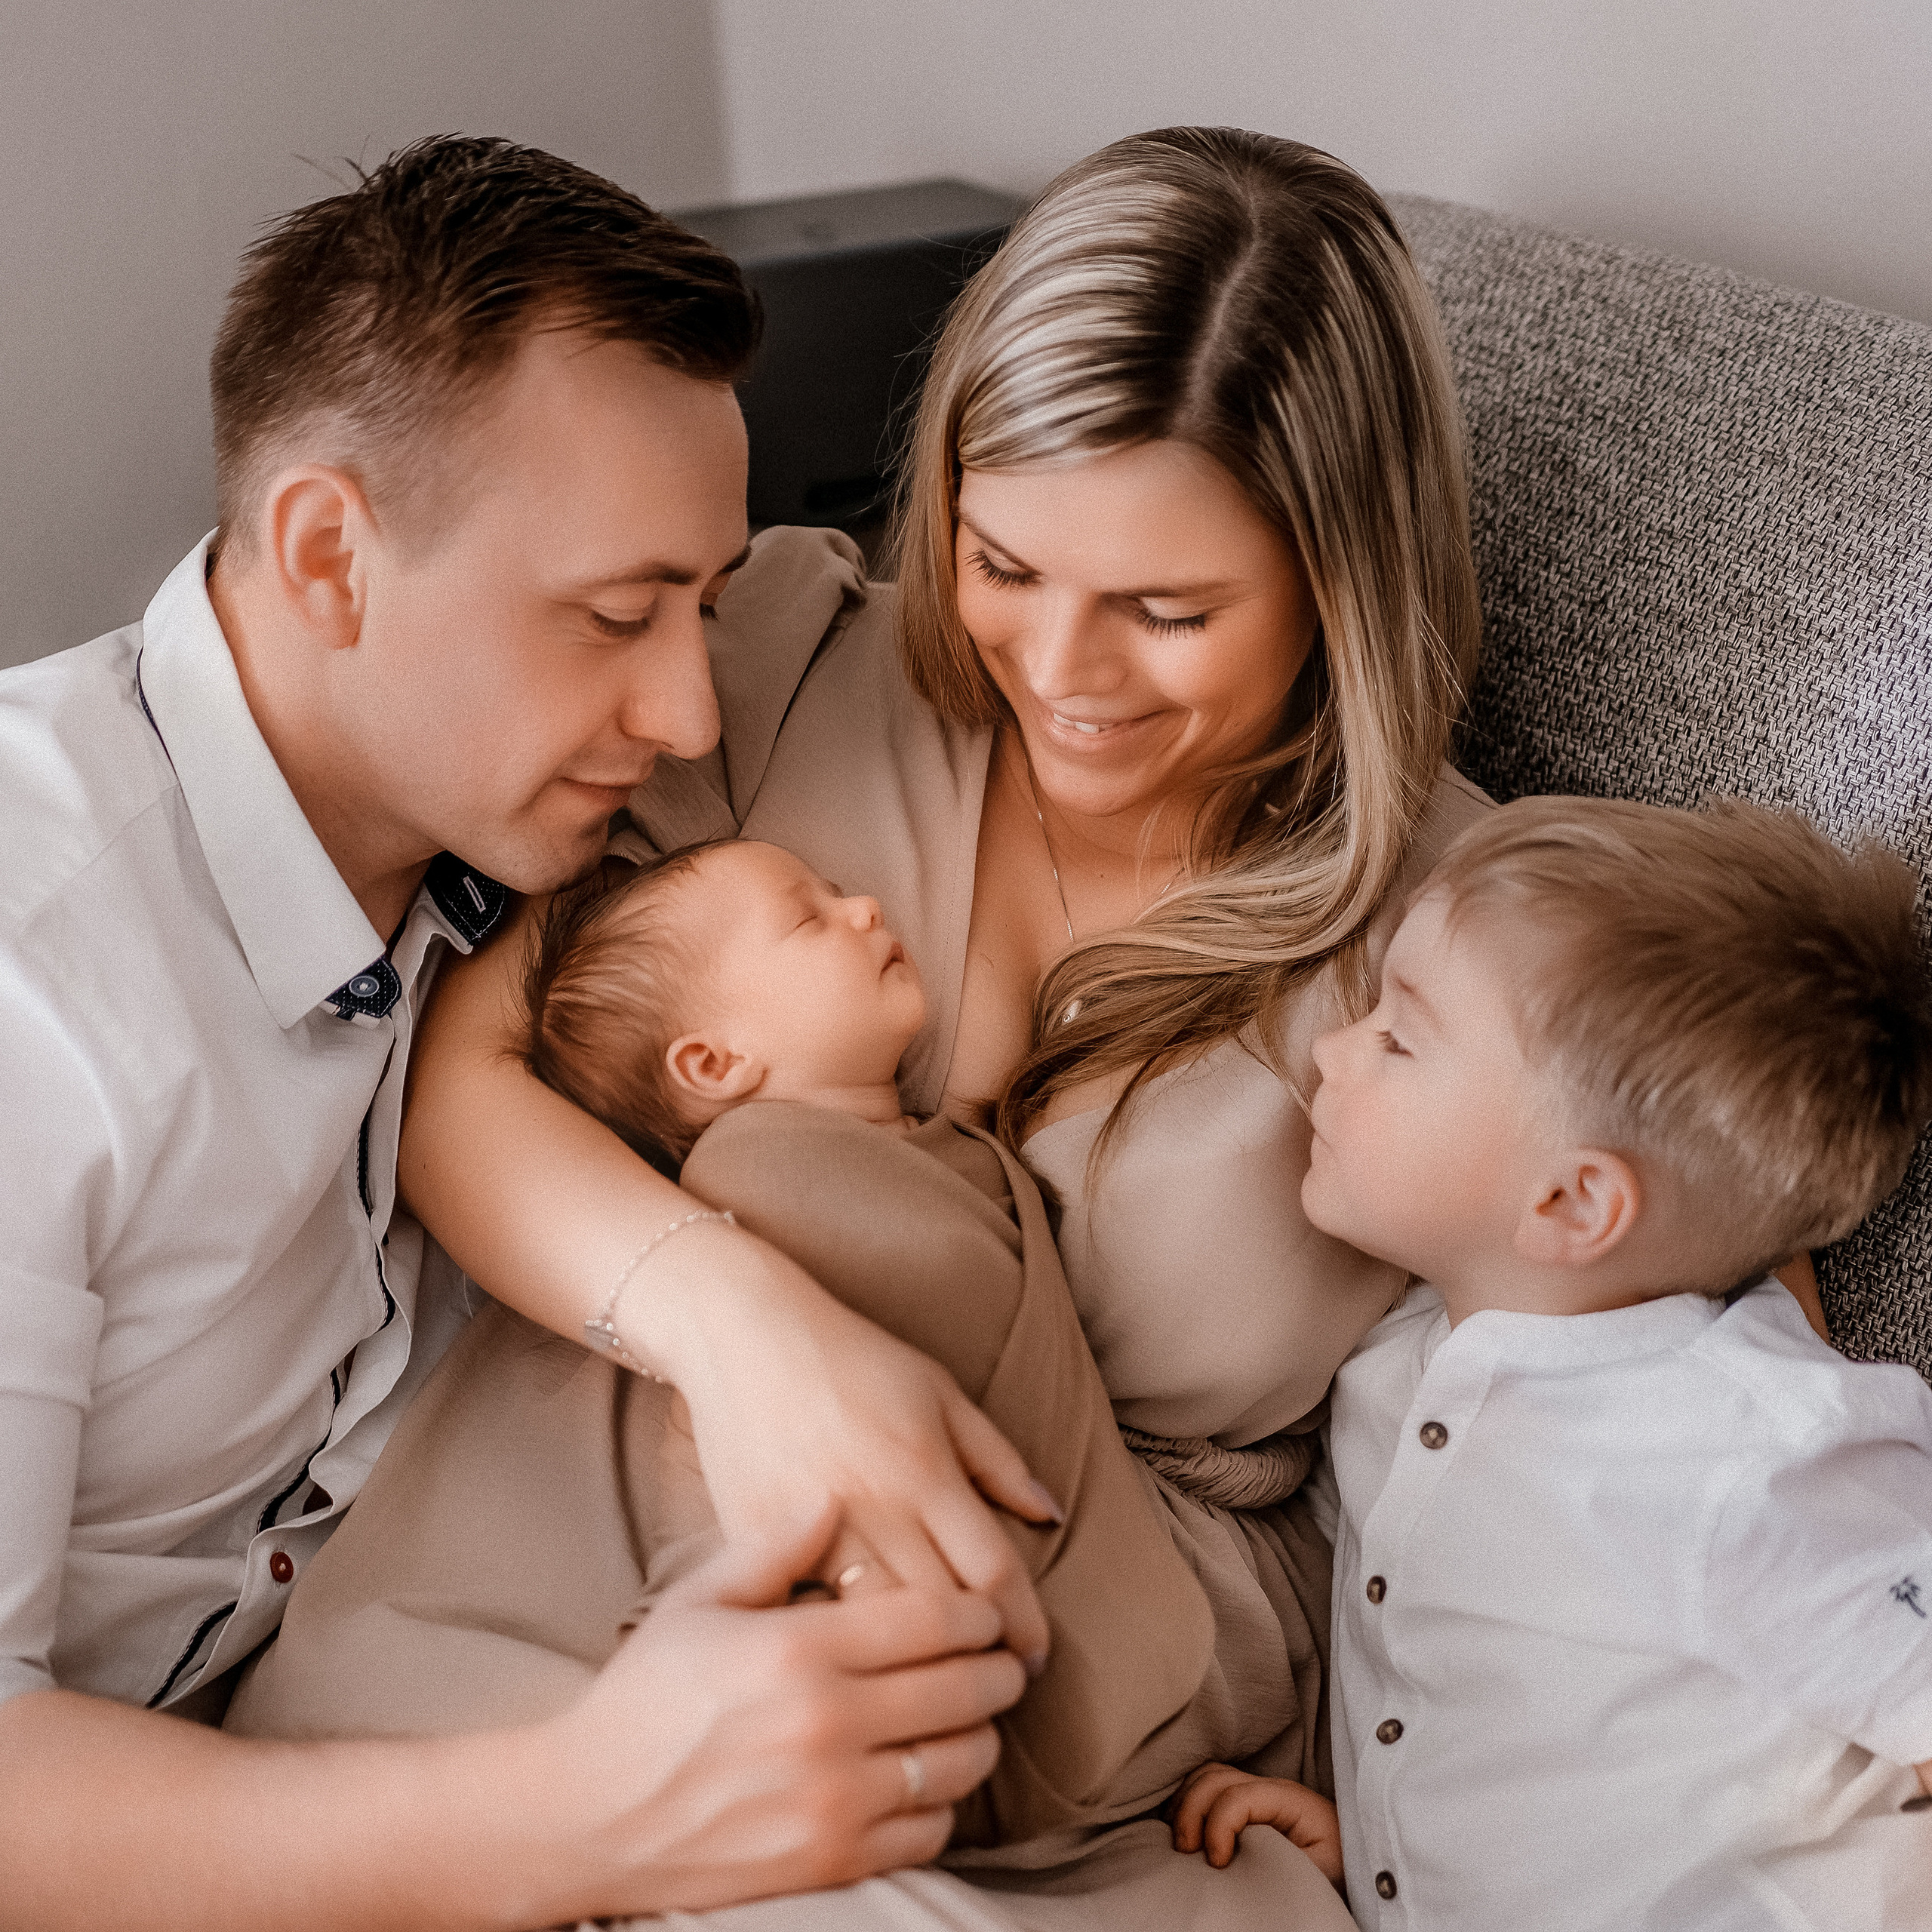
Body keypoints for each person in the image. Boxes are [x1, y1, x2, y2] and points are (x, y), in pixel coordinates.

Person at [0, 138, 1048, 1931]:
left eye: (700, 605)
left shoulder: (525, 847)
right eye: (615, 614)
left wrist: (745, 1323)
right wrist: (588, 1812)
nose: (683, 708)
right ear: (329, 555)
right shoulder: (40, 982)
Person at [227, 838, 1316, 1875]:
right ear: (713, 1062)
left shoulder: (941, 1158)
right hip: (925, 1682)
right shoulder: (767, 1180)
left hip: (1033, 1662)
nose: (865, 907)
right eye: (810, 917)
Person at [1189, 796, 1932, 1928]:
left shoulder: (1750, 1444)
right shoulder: (1390, 1368)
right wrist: (1388, 1841)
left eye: (1397, 1038)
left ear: (1574, 1201)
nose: (1331, 1052)